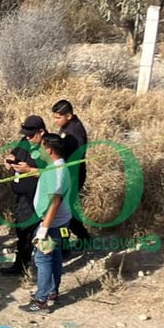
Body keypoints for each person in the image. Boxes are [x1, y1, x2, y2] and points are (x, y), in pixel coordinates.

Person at [20, 133, 72, 314]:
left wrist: (43, 229)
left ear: (49, 149)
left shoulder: (57, 172)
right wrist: (28, 170)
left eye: (41, 147)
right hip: (58, 222)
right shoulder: (56, 166)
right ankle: (52, 292)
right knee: (55, 258)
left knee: (42, 259)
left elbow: (55, 201)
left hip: (52, 223)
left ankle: (41, 300)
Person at [1, 115, 47, 277]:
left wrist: (29, 171)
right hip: (21, 197)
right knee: (22, 231)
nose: (27, 138)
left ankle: (35, 267)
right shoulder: (25, 141)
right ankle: (21, 264)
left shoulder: (48, 148)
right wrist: (11, 160)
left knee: (31, 232)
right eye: (26, 134)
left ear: (41, 132)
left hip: (36, 197)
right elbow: (15, 154)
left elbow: (53, 173)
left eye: (31, 135)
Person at [51, 99, 91, 245]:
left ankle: (69, 241)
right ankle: (82, 238)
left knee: (65, 212)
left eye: (58, 117)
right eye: (54, 117)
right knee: (68, 210)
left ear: (69, 115)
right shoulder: (67, 127)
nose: (55, 121)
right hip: (68, 174)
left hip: (73, 176)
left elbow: (74, 158)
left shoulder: (75, 132)